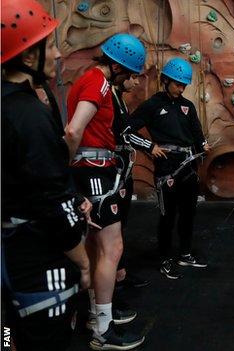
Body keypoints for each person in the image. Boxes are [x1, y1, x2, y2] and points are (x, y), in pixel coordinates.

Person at [1, 1, 92, 349]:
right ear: (27, 58)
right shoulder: (29, 116)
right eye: (50, 45)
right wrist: (83, 264)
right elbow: (51, 202)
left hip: (11, 258)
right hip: (37, 264)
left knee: (9, 336)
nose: (57, 54)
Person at [65, 33, 146, 349]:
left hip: (94, 171)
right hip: (94, 172)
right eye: (128, 72)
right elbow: (73, 129)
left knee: (100, 247)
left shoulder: (94, 80)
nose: (130, 78)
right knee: (112, 249)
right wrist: (65, 167)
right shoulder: (97, 83)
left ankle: (97, 317)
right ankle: (102, 329)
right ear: (117, 65)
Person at [128, 57, 210, 280]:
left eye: (184, 85)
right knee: (168, 215)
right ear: (165, 80)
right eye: (177, 84)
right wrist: (149, 145)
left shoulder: (188, 106)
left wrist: (203, 145)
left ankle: (185, 253)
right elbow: (127, 129)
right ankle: (165, 259)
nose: (180, 88)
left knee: (188, 214)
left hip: (188, 166)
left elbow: (197, 133)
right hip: (166, 167)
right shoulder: (153, 105)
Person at [111, 72, 151, 289]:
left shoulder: (118, 97)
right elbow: (124, 133)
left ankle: (120, 271)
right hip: (112, 170)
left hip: (123, 169)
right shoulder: (108, 97)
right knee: (111, 226)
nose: (136, 82)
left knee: (121, 223)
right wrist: (150, 146)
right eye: (133, 76)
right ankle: (113, 278)